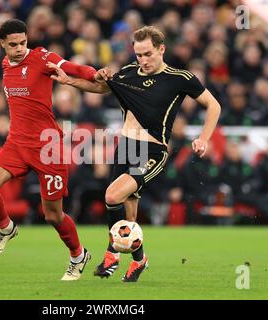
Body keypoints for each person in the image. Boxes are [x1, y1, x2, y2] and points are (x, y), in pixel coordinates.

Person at [49, 26, 221, 282]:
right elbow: (101, 88)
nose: (143, 59)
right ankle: (140, 260)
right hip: (126, 147)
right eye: (139, 54)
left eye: (148, 54)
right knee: (129, 215)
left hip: (152, 150)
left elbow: (213, 105)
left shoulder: (180, 78)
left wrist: (203, 138)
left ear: (161, 49)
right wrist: (69, 81)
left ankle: (111, 255)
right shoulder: (128, 73)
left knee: (112, 195)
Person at [0, 19, 97, 281]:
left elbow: (72, 66)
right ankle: (7, 229)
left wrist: (95, 74)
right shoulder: (5, 64)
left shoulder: (42, 57)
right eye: (13, 44)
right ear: (2, 44)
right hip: (17, 143)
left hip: (47, 147)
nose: (19, 48)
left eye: (23, 42)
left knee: (52, 215)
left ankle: (78, 255)